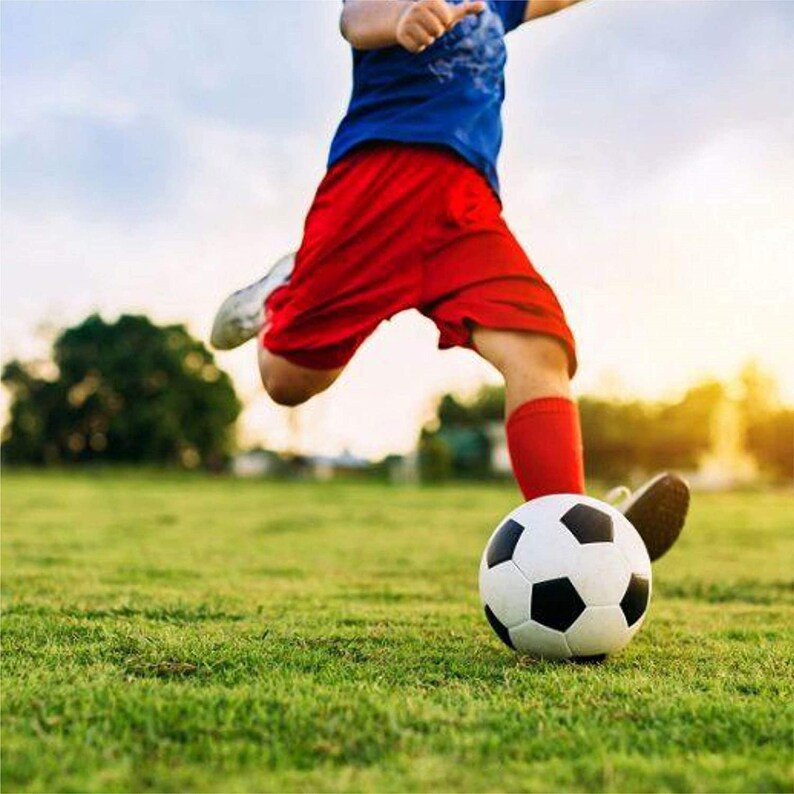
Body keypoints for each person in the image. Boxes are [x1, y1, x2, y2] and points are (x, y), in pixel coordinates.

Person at [210, 0, 689, 561]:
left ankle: (572, 539)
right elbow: (356, 18)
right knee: (289, 382)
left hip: (466, 209)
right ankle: (280, 297)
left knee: (540, 349)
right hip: (377, 189)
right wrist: (401, 20)